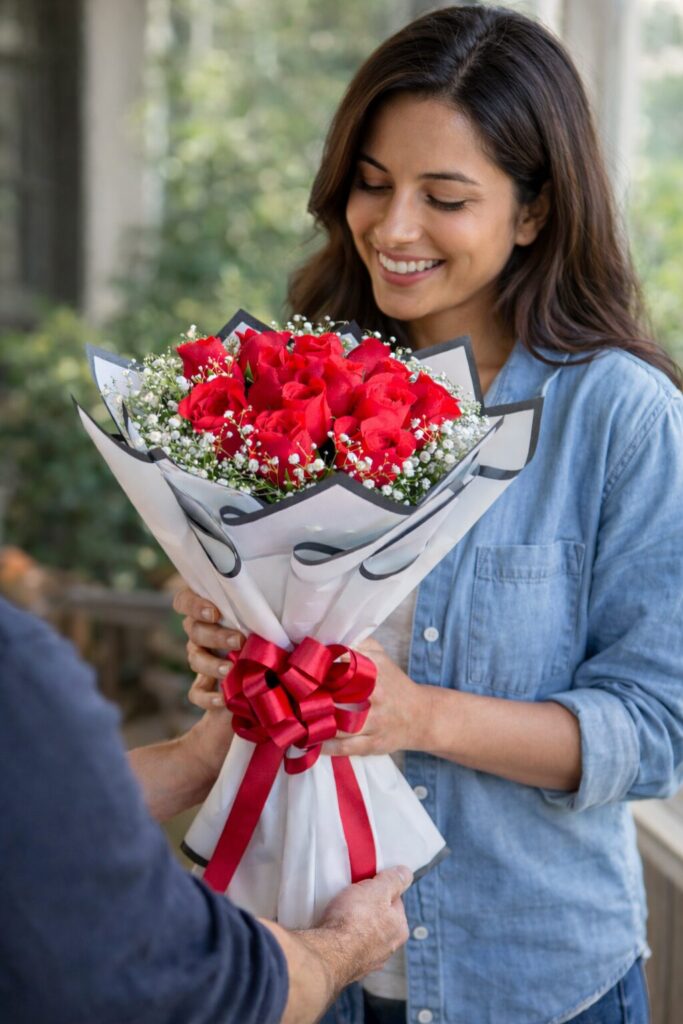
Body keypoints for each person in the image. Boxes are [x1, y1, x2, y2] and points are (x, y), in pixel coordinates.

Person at [178, 5, 683, 1024]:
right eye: (371, 184)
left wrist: (421, 718)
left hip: (533, 979)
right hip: (308, 957)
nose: (392, 227)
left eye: (443, 197)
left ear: (532, 212)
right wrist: (227, 638)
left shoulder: (619, 417)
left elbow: (656, 729)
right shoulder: (300, 383)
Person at [0, 593, 412, 1024]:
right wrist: (342, 948)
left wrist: (197, 758)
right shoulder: (17, 669)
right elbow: (178, 975)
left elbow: (40, 818)